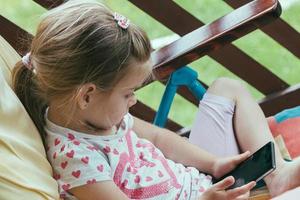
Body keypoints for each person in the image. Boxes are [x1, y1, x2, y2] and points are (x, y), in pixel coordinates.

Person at [11, 0, 300, 199]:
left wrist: (214, 164)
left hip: (199, 181)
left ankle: (277, 176)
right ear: (87, 94)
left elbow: (161, 140)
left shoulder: (96, 115)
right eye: (128, 93)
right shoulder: (77, 161)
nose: (134, 101)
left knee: (227, 88)